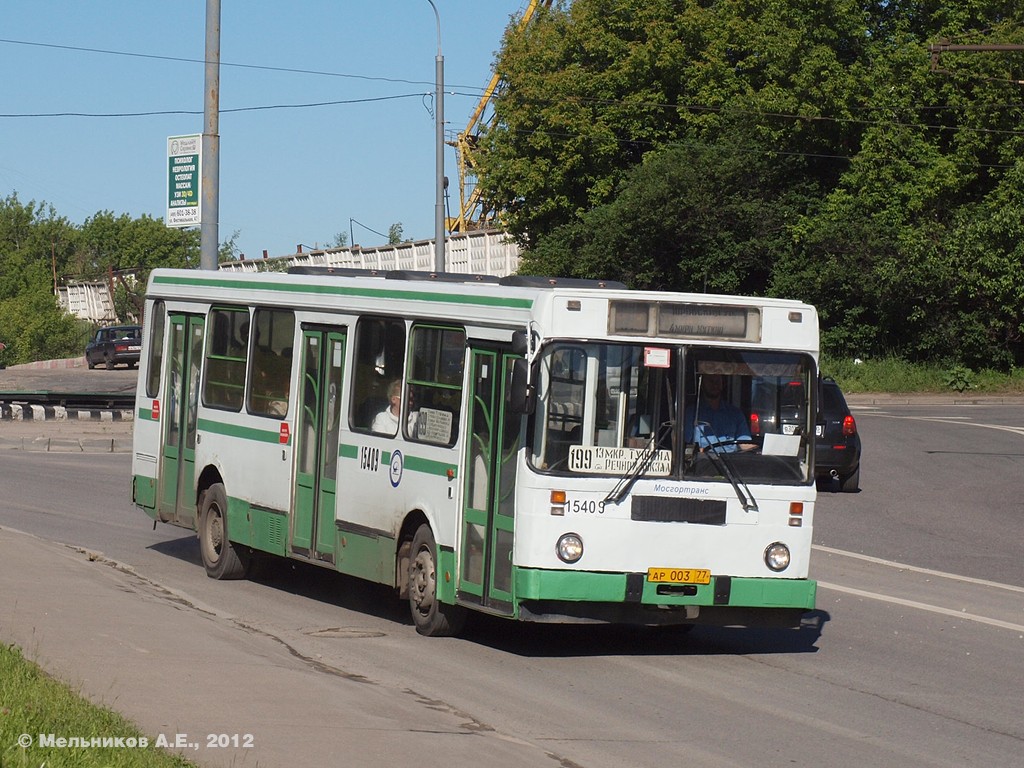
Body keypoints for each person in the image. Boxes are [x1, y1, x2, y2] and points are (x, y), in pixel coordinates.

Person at [685, 373, 755, 452]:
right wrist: (697, 451)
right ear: (702, 383)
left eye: (717, 381)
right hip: (703, 461)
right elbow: (686, 444)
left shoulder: (736, 414)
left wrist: (761, 451)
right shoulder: (692, 413)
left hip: (731, 462)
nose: (715, 385)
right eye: (710, 381)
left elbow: (745, 443)